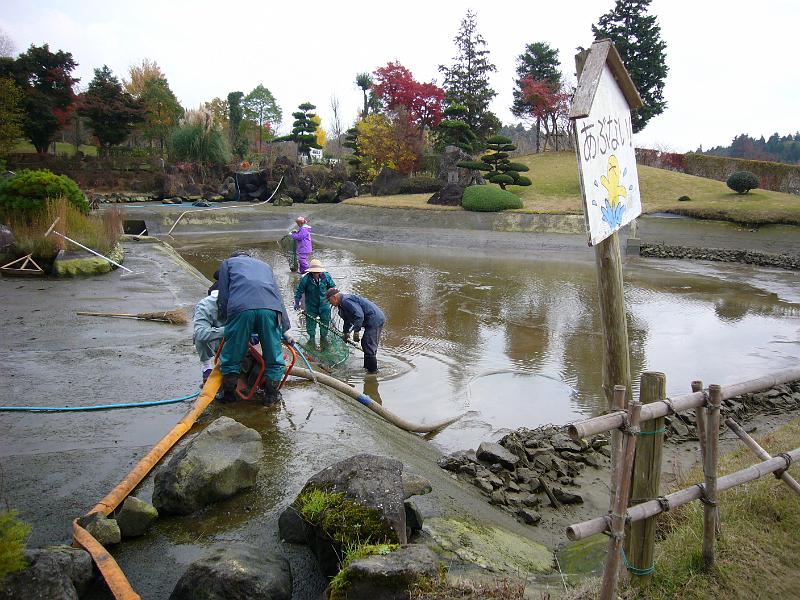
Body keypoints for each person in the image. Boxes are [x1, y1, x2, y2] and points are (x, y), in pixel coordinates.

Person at [217, 251, 293, 404]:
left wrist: (228, 318)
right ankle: (271, 396)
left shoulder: (228, 263)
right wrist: (284, 326)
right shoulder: (265, 266)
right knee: (273, 354)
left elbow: (223, 294)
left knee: (233, 352)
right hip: (270, 309)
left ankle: (229, 395)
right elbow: (277, 295)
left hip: (241, 309)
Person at [326, 288, 385, 374]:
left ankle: (373, 372)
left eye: (329, 300)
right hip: (370, 320)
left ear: (334, 297)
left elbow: (359, 315)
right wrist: (345, 333)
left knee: (368, 344)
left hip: (375, 319)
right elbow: (347, 320)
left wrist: (356, 331)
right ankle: (367, 368)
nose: (329, 303)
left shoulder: (346, 301)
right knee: (365, 343)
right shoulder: (341, 305)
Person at [294, 259, 336, 345]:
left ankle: (323, 339)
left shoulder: (326, 277)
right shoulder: (305, 279)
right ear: (311, 272)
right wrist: (297, 301)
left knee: (325, 323)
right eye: (314, 272)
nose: (316, 274)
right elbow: (299, 291)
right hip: (311, 306)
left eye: (318, 272)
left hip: (324, 306)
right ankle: (311, 339)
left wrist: (333, 299)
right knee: (310, 325)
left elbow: (333, 288)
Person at [192, 288, 225, 385]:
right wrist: (228, 330)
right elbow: (201, 334)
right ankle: (206, 367)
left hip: (234, 340)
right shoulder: (205, 306)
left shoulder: (243, 301)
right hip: (217, 338)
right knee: (199, 336)